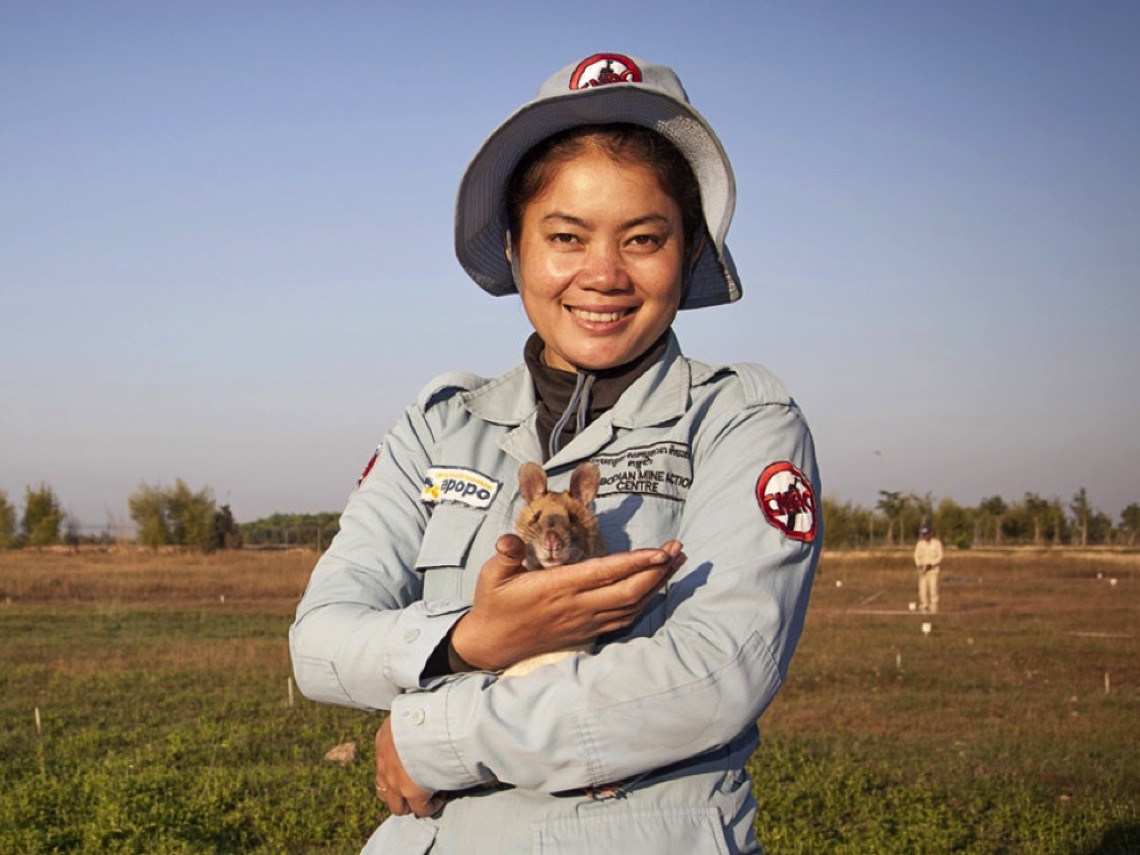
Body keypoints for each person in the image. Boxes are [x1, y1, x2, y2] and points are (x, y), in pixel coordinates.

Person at [290, 52, 821, 854]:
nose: (603, 274)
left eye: (644, 238)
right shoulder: (439, 425)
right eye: (566, 236)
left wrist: (440, 735)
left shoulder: (740, 422)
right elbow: (320, 641)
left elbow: (718, 670)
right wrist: (472, 639)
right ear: (513, 247)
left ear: (689, 252)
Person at [914, 524, 943, 614]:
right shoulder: (920, 544)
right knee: (922, 590)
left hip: (933, 571)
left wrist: (931, 564)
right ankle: (923, 607)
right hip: (922, 571)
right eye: (923, 534)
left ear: (931, 533)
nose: (925, 536)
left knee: (933, 590)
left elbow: (940, 556)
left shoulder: (937, 543)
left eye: (926, 534)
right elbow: (916, 555)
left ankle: (933, 609)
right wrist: (919, 564)